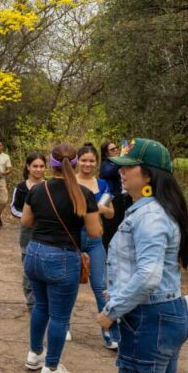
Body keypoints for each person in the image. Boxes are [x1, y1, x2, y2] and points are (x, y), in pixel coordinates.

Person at [97, 138, 188, 373]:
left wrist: (112, 310)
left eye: (128, 167)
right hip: (165, 315)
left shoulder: (150, 215)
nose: (121, 173)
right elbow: (151, 272)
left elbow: (149, 276)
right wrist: (122, 291)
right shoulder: (154, 210)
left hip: (150, 321)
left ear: (149, 173)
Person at [21, 142, 101, 373]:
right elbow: (95, 231)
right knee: (59, 316)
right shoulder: (83, 194)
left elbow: (26, 221)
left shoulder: (37, 189)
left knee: (40, 307)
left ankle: (34, 355)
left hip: (35, 253)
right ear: (75, 163)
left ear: (51, 163)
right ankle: (51, 368)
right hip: (63, 257)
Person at [76, 143, 120, 350]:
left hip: (95, 240)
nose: (87, 164)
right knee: (67, 286)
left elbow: (111, 213)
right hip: (72, 240)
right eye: (84, 160)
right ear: (77, 161)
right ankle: (63, 325)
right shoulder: (69, 183)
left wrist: (101, 210)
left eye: (91, 161)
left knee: (101, 287)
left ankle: (110, 333)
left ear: (96, 162)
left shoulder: (103, 184)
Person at [11, 152, 46, 314]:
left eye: (41, 166)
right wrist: (27, 217)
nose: (38, 169)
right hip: (27, 235)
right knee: (28, 270)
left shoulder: (50, 186)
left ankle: (44, 302)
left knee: (45, 268)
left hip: (47, 234)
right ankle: (32, 304)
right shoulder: (21, 187)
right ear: (28, 167)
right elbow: (14, 208)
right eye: (35, 166)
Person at [100, 140, 131, 250]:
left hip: (124, 198)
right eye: (112, 149)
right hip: (111, 198)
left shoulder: (121, 163)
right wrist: (121, 157)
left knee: (124, 225)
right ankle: (107, 252)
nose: (116, 150)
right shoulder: (105, 164)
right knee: (110, 227)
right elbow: (110, 172)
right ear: (106, 153)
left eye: (116, 148)